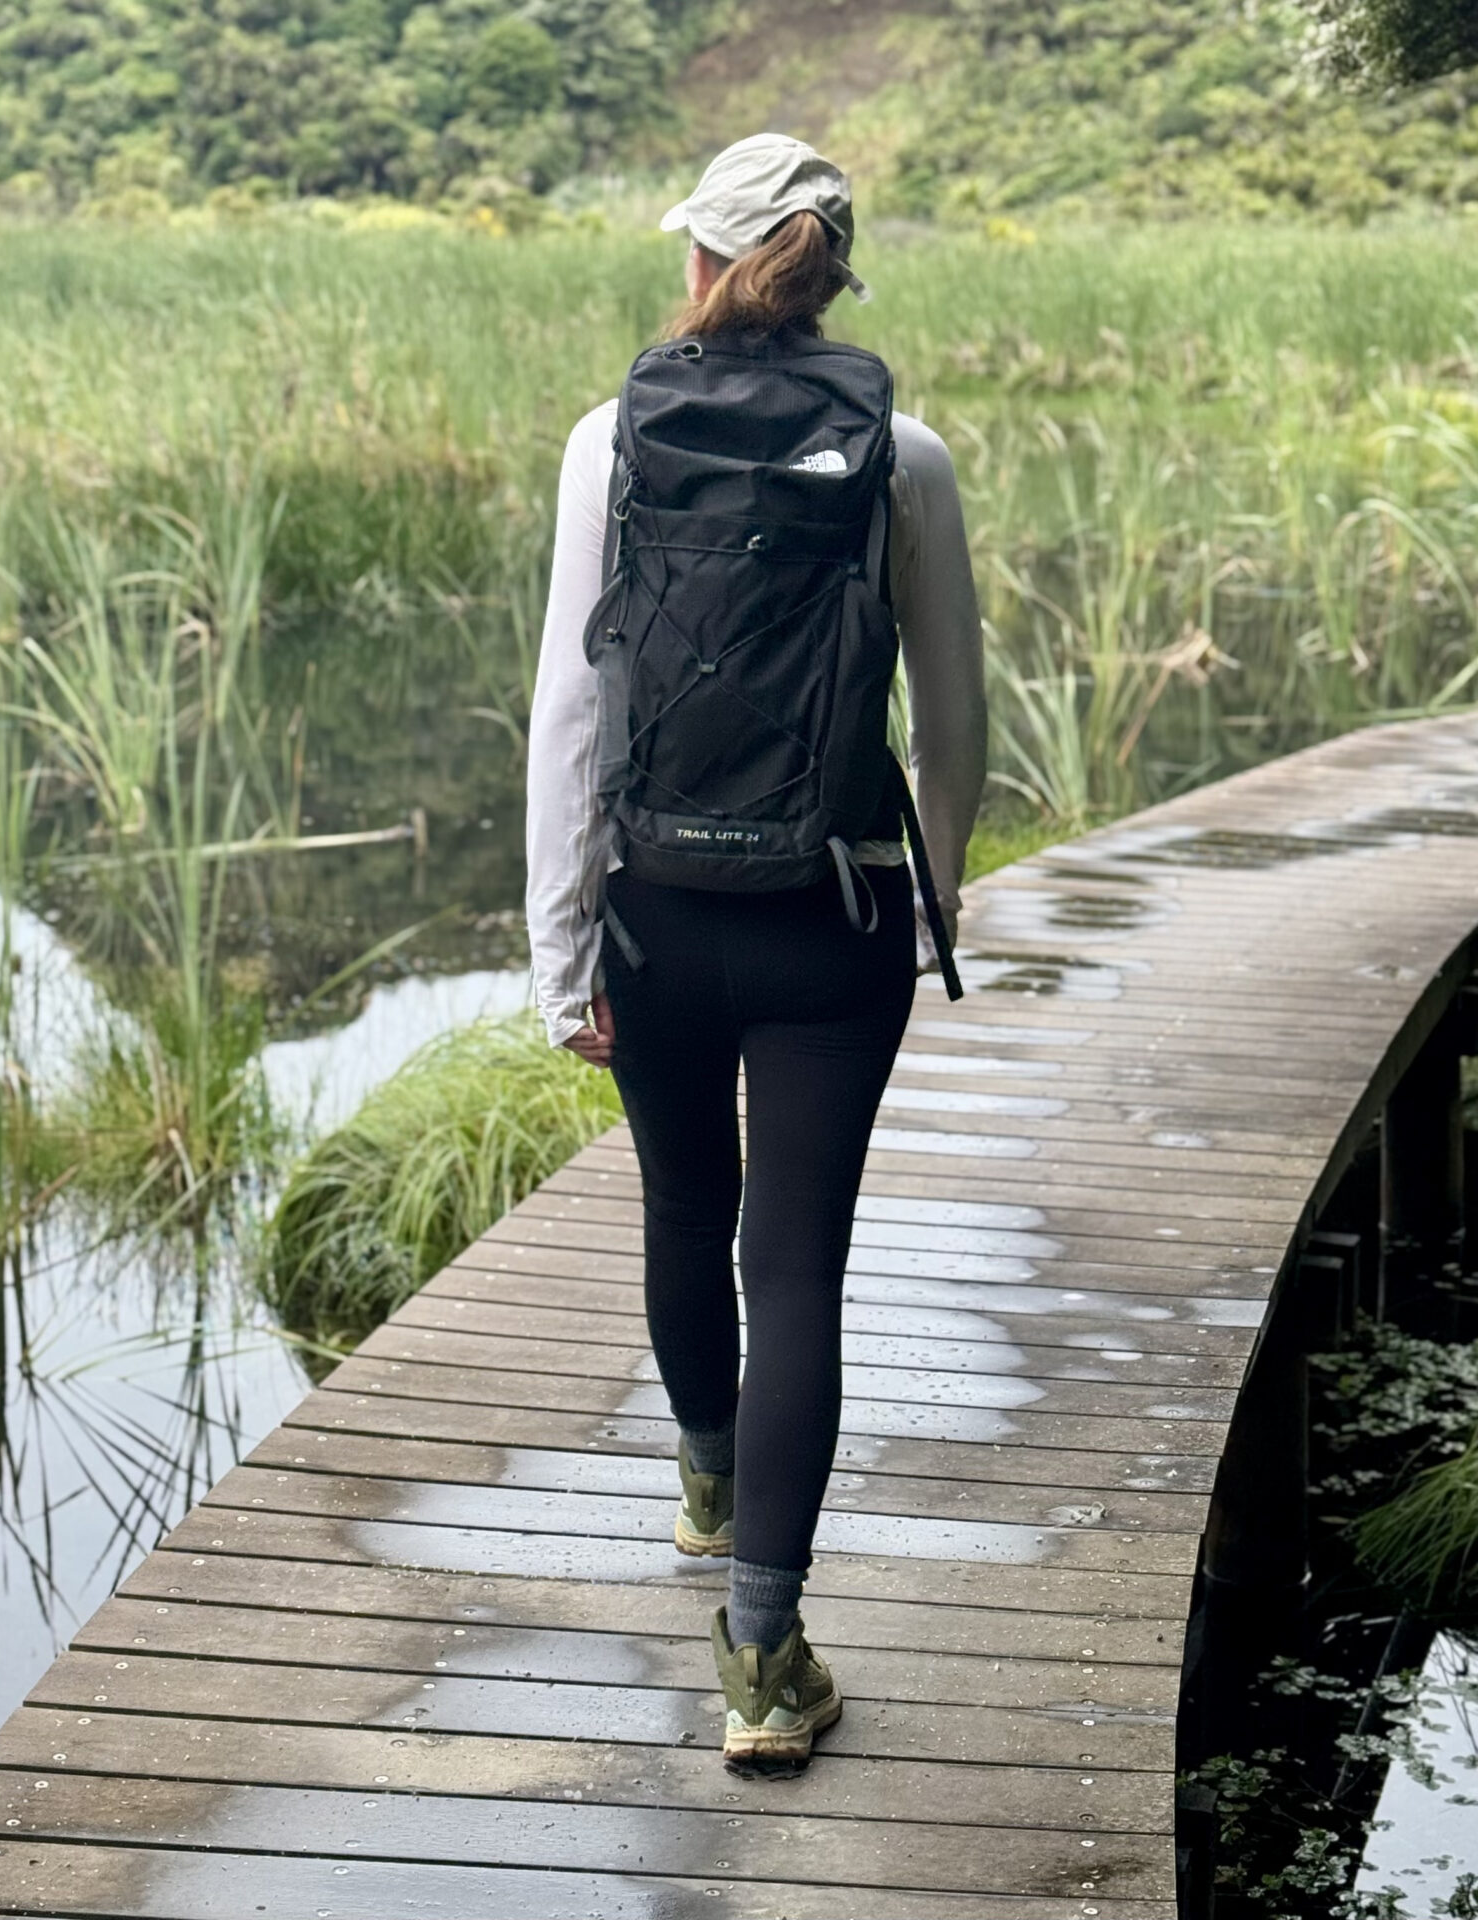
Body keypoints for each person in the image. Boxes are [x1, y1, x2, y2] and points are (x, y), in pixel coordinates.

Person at [524, 133, 987, 1775]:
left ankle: (705, 1479)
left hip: (652, 920)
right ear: (834, 270)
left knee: (679, 1202)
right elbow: (953, 733)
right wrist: (918, 896)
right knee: (793, 1271)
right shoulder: (903, 455)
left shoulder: (611, 439)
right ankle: (763, 1654)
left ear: (706, 264)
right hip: (830, 926)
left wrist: (560, 939)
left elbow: (573, 714)